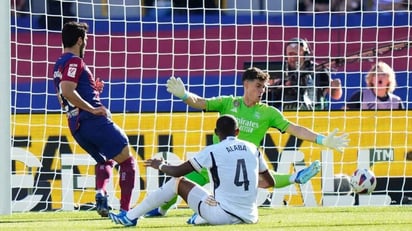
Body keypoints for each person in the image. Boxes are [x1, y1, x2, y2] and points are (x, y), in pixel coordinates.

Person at [143, 67, 349, 222]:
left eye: (264, 87)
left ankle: (294, 177)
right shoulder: (228, 103)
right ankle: (162, 210)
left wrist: (322, 139)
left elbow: (295, 129)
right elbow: (202, 102)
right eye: (259, 86)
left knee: (261, 179)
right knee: (180, 180)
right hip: (214, 165)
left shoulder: (268, 113)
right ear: (246, 85)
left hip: (241, 165)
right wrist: (185, 95)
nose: (262, 91)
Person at [108, 114, 276, 226]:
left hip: (223, 215)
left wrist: (160, 165)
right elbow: (270, 182)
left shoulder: (213, 150)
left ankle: (130, 217)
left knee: (177, 183)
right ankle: (200, 218)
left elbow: (177, 172)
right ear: (237, 131)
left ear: (216, 133)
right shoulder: (253, 148)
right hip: (250, 216)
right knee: (212, 197)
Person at [52, 21, 136, 217]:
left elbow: (62, 95)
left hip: (76, 126)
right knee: (127, 159)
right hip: (92, 121)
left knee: (106, 159)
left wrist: (91, 91)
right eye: (86, 40)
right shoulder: (75, 61)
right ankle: (126, 213)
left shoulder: (59, 64)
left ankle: (101, 192)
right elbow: (67, 89)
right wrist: (92, 108)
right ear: (80, 40)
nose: (87, 44)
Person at [265, 38, 342, 111]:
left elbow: (336, 95)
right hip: (288, 113)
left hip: (316, 113)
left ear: (306, 55)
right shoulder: (281, 71)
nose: (292, 58)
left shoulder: (318, 70)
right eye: (289, 54)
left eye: (295, 54)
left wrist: (336, 88)